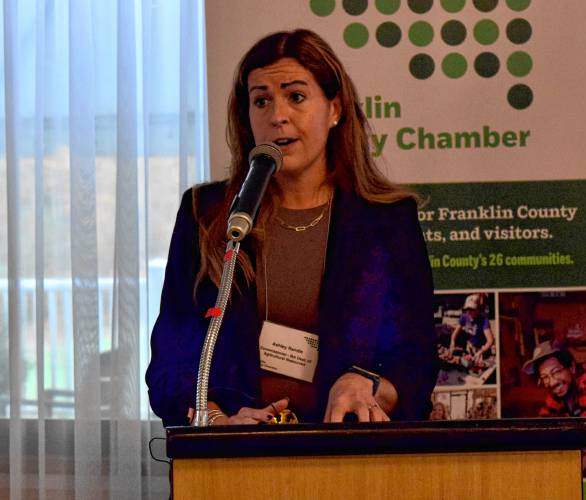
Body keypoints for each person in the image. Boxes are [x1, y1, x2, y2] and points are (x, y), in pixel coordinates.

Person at [145, 29, 437, 427]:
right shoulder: (208, 214)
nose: (277, 115)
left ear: (334, 109)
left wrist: (366, 382)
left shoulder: (386, 221)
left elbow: (417, 362)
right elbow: (171, 360)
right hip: (236, 456)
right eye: (261, 100)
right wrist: (215, 420)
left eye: (296, 97)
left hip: (350, 453)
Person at [523, 340, 586, 476]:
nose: (551, 382)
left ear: (572, 368)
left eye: (556, 372)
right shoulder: (558, 389)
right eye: (545, 377)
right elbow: (542, 428)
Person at [442, 294, 494, 366]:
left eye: (472, 309)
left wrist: (481, 351)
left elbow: (490, 340)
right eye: (467, 309)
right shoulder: (464, 317)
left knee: (479, 368)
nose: (469, 312)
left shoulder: (483, 320)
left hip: (482, 350)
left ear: (477, 309)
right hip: (470, 347)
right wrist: (452, 343)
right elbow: (455, 333)